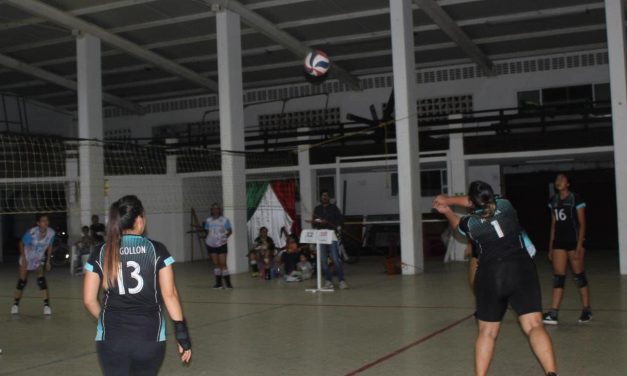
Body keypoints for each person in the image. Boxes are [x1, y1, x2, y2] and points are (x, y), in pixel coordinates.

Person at [433, 181, 558, 376]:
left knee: (487, 332)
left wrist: (446, 208)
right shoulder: (505, 205)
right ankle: (552, 373)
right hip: (521, 269)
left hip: (491, 274)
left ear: (472, 202)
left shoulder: (470, 223)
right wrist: (449, 200)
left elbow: (458, 224)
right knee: (534, 326)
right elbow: (474, 201)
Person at [83, 195, 191, 375]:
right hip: (149, 337)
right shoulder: (157, 250)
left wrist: (105, 319)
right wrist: (182, 336)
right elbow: (170, 295)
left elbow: (88, 300)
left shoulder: (101, 251)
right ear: (139, 219)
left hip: (112, 339)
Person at [544, 173, 591, 325]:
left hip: (574, 242)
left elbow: (582, 223)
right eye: (557, 179)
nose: (559, 181)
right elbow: (553, 225)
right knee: (559, 277)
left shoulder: (575, 198)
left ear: (568, 183)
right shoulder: (553, 201)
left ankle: (586, 309)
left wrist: (579, 245)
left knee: (579, 276)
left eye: (562, 179)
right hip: (559, 242)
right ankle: (553, 313)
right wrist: (551, 247)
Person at [11, 213, 56, 315]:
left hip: (38, 258)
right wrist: (24, 258)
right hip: (27, 256)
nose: (46, 223)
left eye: (47, 220)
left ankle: (46, 306)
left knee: (41, 280)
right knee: (22, 281)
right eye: (43, 221)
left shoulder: (51, 233)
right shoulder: (32, 233)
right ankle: (15, 304)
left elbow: (49, 246)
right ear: (38, 223)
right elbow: (21, 243)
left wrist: (48, 261)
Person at [312, 190, 347, 289]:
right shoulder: (317, 209)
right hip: (321, 236)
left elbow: (340, 220)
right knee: (323, 260)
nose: (324, 197)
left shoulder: (334, 208)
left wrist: (335, 224)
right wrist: (320, 222)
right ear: (321, 197)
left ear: (328, 198)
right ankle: (328, 281)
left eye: (326, 196)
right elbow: (314, 223)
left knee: (335, 259)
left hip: (331, 235)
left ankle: (341, 280)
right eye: (323, 195)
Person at [204, 203, 233, 289]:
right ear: (211, 210)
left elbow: (229, 231)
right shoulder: (208, 220)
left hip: (221, 244)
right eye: (213, 209)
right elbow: (206, 231)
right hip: (211, 244)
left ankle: (228, 284)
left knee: (223, 264)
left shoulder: (224, 220)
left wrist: (224, 238)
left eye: (217, 208)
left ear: (219, 210)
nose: (215, 210)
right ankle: (218, 283)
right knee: (216, 264)